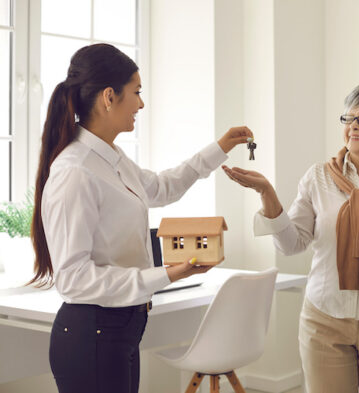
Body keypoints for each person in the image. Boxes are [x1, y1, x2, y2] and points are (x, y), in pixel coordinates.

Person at [29, 43, 253, 393]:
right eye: (136, 92)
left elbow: (164, 187)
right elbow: (73, 278)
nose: (141, 104)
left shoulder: (111, 160)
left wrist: (219, 147)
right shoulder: (75, 171)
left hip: (121, 328)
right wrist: (164, 274)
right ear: (108, 97)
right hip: (93, 334)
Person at [223, 82, 359, 393]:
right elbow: (290, 244)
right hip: (323, 319)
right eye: (348, 118)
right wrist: (267, 195)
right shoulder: (318, 178)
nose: (353, 127)